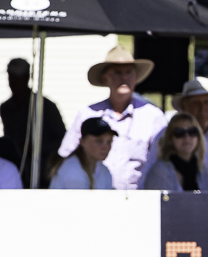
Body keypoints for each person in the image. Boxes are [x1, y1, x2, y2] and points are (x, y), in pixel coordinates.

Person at [58, 46, 168, 190]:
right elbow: (66, 156)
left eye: (129, 73)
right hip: (94, 200)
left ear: (136, 77)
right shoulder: (88, 114)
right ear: (105, 78)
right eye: (117, 73)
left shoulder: (153, 116)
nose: (124, 78)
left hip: (139, 201)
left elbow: (164, 163)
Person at [143, 77, 208, 189]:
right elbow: (147, 176)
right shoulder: (165, 134)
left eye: (207, 102)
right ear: (184, 106)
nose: (203, 108)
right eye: (180, 133)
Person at [0, 58, 66, 187]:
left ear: (26, 78)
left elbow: (62, 141)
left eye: (17, 78)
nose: (13, 83)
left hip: (42, 173)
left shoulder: (45, 106)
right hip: (14, 171)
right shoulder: (6, 108)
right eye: (11, 78)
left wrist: (35, 147)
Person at [141, 113, 208, 192]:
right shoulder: (160, 171)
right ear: (170, 138)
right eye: (179, 133)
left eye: (192, 131)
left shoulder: (202, 168)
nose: (187, 138)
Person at [50, 118, 115, 190]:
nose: (105, 147)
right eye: (99, 141)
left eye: (109, 141)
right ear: (82, 142)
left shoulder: (103, 170)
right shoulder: (72, 169)